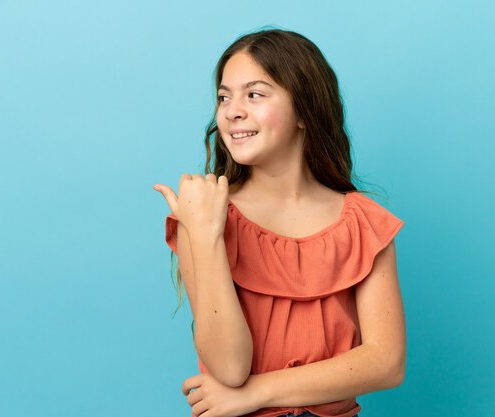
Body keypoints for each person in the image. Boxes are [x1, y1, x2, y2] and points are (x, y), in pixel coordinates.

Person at [153, 28, 406, 417]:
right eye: (224, 97)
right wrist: (205, 236)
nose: (232, 110)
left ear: (304, 110)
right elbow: (229, 367)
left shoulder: (363, 223)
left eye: (254, 94)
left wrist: (256, 394)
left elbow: (386, 363)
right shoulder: (202, 216)